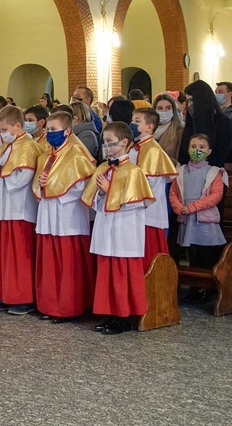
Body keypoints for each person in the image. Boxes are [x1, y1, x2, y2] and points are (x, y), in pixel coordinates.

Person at [82, 121, 155, 335]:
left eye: (111, 143)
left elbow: (140, 201)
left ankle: (124, 317)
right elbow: (94, 199)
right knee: (106, 271)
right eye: (104, 143)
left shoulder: (133, 171)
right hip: (107, 227)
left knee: (122, 272)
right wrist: (102, 193)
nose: (107, 147)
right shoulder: (104, 167)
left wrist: (110, 190)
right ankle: (110, 314)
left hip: (124, 230)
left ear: (125, 142)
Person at [32, 111, 97, 323]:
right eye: (48, 130)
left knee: (67, 265)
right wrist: (41, 184)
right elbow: (40, 184)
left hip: (68, 216)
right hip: (48, 213)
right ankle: (49, 304)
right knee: (50, 262)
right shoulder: (46, 155)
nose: (50, 133)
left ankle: (68, 307)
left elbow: (82, 186)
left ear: (68, 131)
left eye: (54, 130)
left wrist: (52, 187)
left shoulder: (77, 155)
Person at [0, 105, 43, 314]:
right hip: (3, 208)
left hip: (19, 209)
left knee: (19, 255)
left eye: (4, 129)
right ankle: (4, 293)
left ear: (18, 126)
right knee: (3, 255)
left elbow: (21, 179)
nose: (1, 134)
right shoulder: (8, 145)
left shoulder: (27, 146)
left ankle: (22, 297)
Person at [170, 133, 228, 303]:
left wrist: (193, 207)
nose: (197, 150)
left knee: (206, 254)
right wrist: (178, 208)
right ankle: (195, 287)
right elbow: (174, 192)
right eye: (193, 147)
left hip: (204, 220)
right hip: (187, 218)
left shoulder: (214, 172)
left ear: (209, 151)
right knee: (192, 255)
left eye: (201, 147)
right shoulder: (180, 172)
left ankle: (207, 288)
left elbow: (216, 195)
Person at [128, 108, 177, 271]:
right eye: (132, 120)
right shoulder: (133, 148)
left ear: (149, 127)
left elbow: (147, 182)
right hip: (134, 212)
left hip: (147, 213)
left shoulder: (152, 150)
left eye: (137, 121)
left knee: (149, 260)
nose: (132, 124)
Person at [178, 80, 232, 168]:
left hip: (212, 172)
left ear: (202, 100)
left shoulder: (222, 121)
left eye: (192, 100)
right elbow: (184, 151)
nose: (190, 104)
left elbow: (221, 153)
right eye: (188, 101)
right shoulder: (191, 120)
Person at [152, 93, 184, 163]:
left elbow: (180, 159)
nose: (164, 111)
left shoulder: (179, 131)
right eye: (160, 108)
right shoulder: (148, 131)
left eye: (168, 108)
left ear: (173, 110)